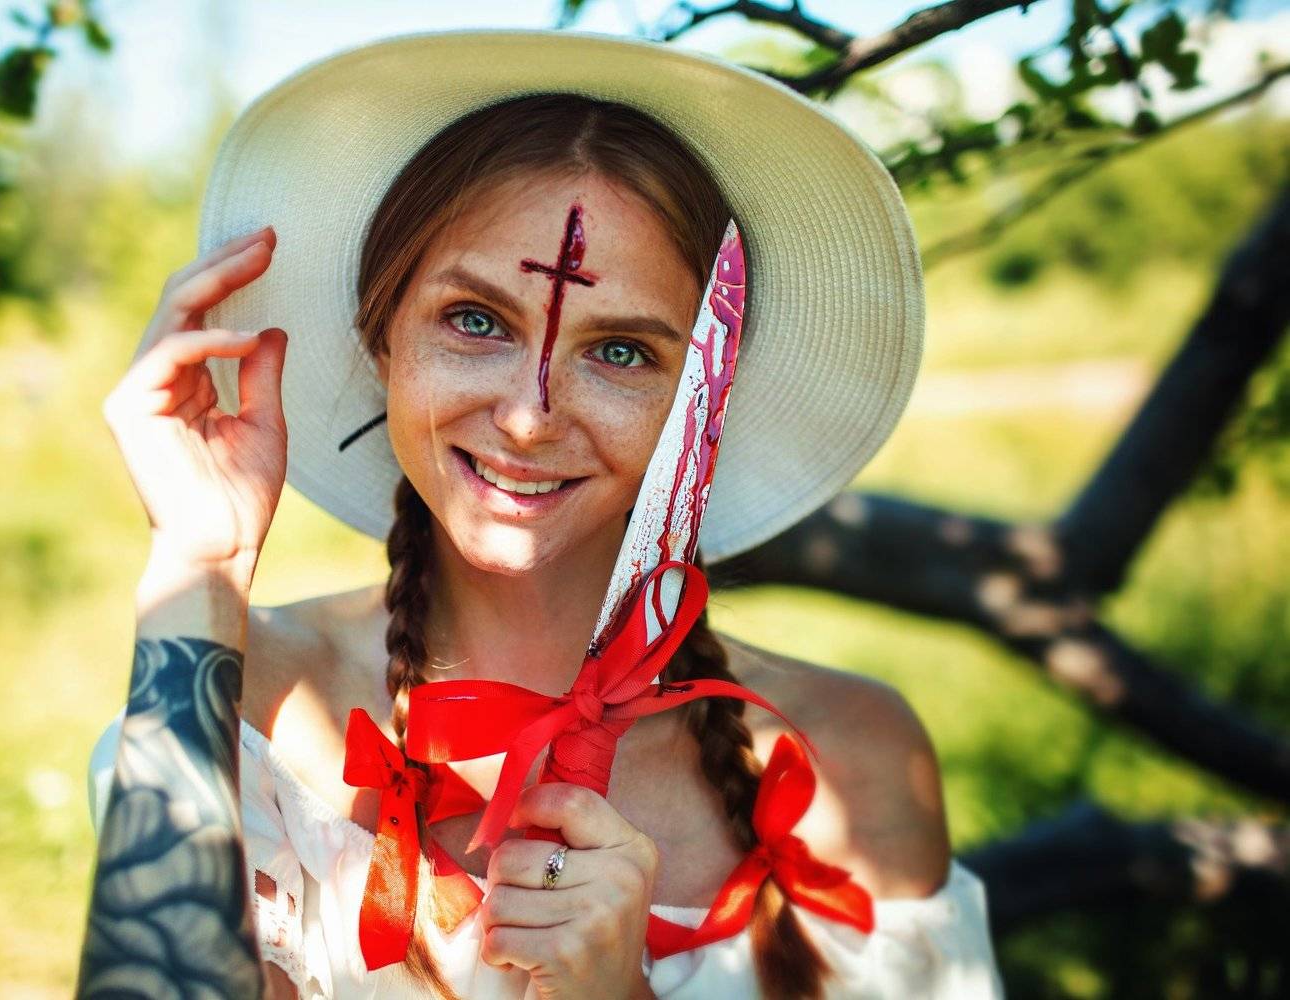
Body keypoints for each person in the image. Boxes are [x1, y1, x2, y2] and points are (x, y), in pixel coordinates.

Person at [79, 28, 1005, 1000]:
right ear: (382, 337)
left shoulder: (852, 759)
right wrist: (201, 564)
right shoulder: (243, 711)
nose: (528, 417)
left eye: (621, 352)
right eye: (475, 320)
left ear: (704, 399)